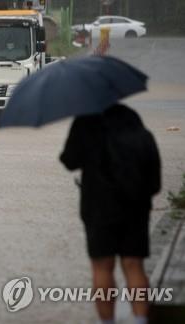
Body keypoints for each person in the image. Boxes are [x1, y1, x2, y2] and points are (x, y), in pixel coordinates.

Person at [60, 104, 161, 324]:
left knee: (102, 266)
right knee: (134, 265)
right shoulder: (131, 116)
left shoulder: (85, 120)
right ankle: (140, 320)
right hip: (135, 205)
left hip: (98, 205)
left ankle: (107, 322)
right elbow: (152, 172)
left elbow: (69, 160)